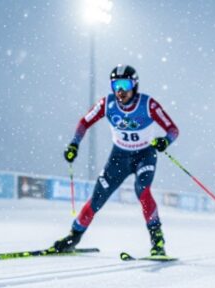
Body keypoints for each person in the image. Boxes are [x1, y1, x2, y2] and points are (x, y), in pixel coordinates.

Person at [52, 65, 179, 257]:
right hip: (118, 157)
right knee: (97, 198)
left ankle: (157, 241)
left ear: (134, 85)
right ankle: (73, 237)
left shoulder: (148, 104)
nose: (120, 90)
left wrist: (165, 141)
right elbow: (84, 122)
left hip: (144, 155)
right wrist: (74, 145)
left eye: (125, 84)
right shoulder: (107, 104)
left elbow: (173, 130)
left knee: (142, 191)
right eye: (116, 85)